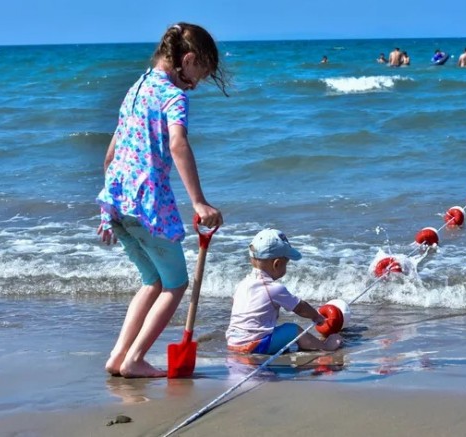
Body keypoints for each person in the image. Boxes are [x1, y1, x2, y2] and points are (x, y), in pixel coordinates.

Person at [96, 22, 228, 378]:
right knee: (175, 284)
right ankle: (134, 358)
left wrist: (109, 206)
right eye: (200, 73)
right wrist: (199, 202)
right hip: (147, 206)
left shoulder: (136, 89)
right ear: (188, 60)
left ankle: (118, 356)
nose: (196, 83)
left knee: (152, 281)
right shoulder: (173, 96)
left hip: (117, 201)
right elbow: (177, 143)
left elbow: (110, 155)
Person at [226, 229, 344, 354]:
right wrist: (316, 316)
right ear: (276, 264)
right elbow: (300, 308)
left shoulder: (242, 284)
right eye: (286, 264)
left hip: (233, 343)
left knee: (276, 333)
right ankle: (325, 346)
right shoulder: (273, 288)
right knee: (292, 330)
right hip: (255, 346)